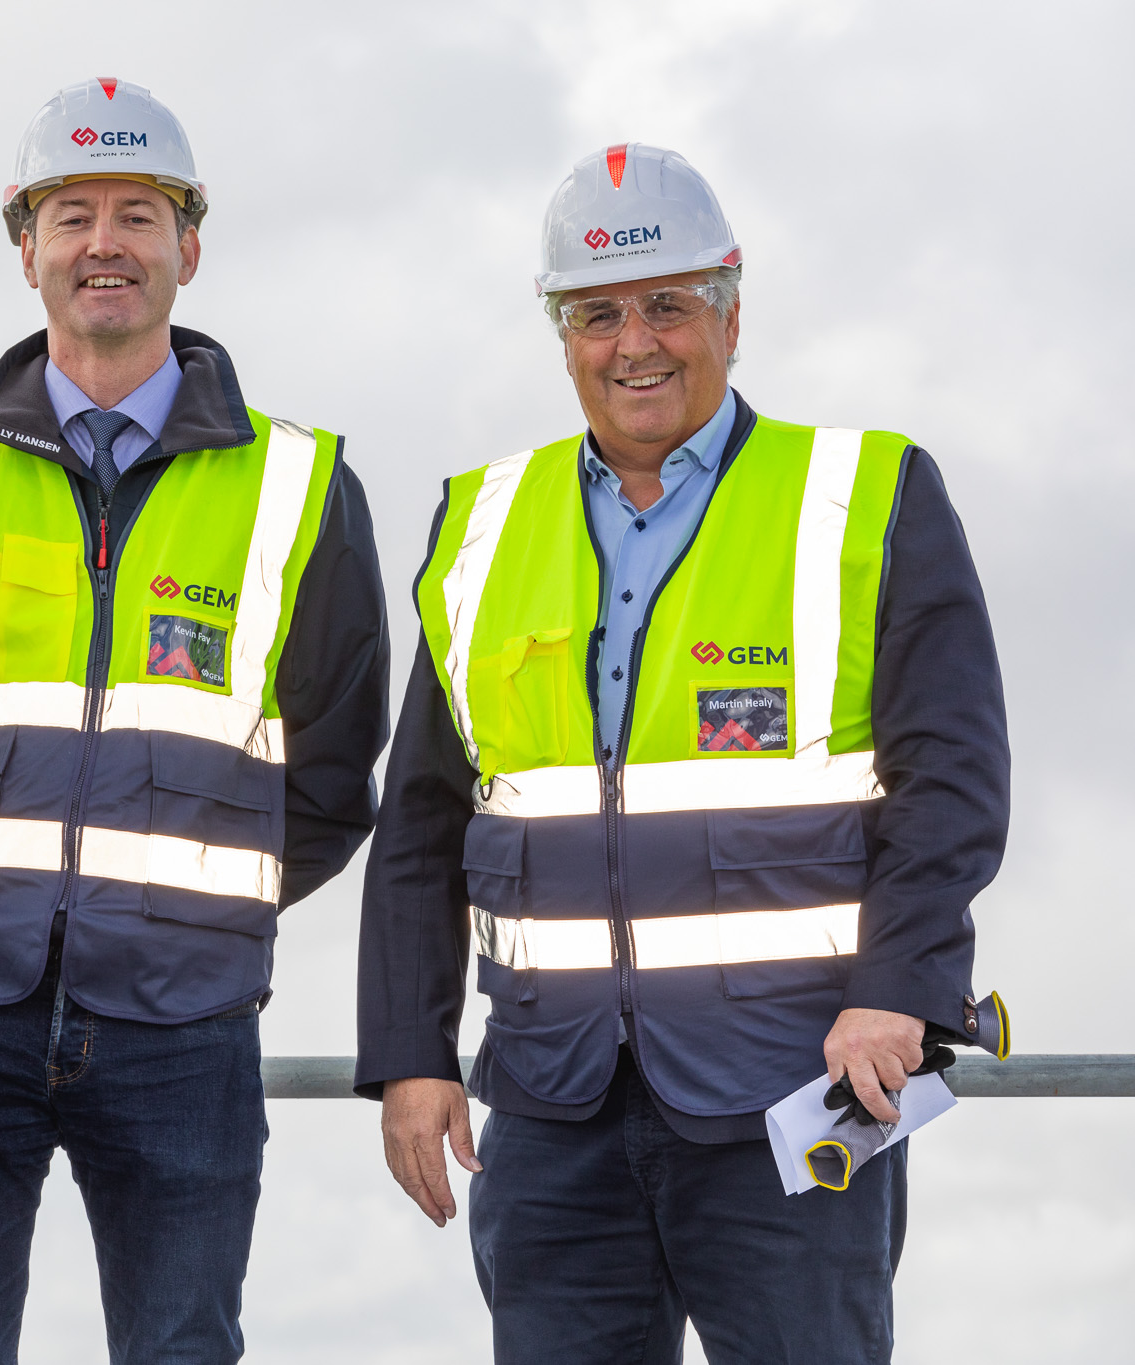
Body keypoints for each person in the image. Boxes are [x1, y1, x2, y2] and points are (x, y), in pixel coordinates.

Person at [356, 142, 1009, 1363]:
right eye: (597, 314)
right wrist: (407, 1056)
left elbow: (952, 788)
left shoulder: (862, 496)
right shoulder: (481, 526)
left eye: (667, 304)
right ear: (560, 334)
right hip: (551, 1104)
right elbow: (422, 829)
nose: (634, 344)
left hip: (793, 1089)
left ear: (730, 310)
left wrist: (896, 991)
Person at [0, 77, 389, 1364]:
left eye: (139, 213)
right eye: (71, 215)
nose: (104, 244)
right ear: (24, 247)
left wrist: (193, 905)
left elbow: (339, 769)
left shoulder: (297, 486)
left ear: (191, 244)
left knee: (183, 1346)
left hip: (183, 1013)